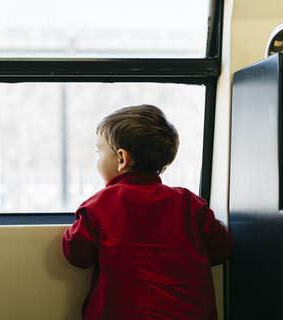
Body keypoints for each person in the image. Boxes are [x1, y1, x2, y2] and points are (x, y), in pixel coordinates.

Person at [62, 104, 233, 320]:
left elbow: (77, 254)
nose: (97, 160)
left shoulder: (100, 204)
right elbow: (221, 250)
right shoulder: (189, 202)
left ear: (121, 159)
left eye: (99, 152)